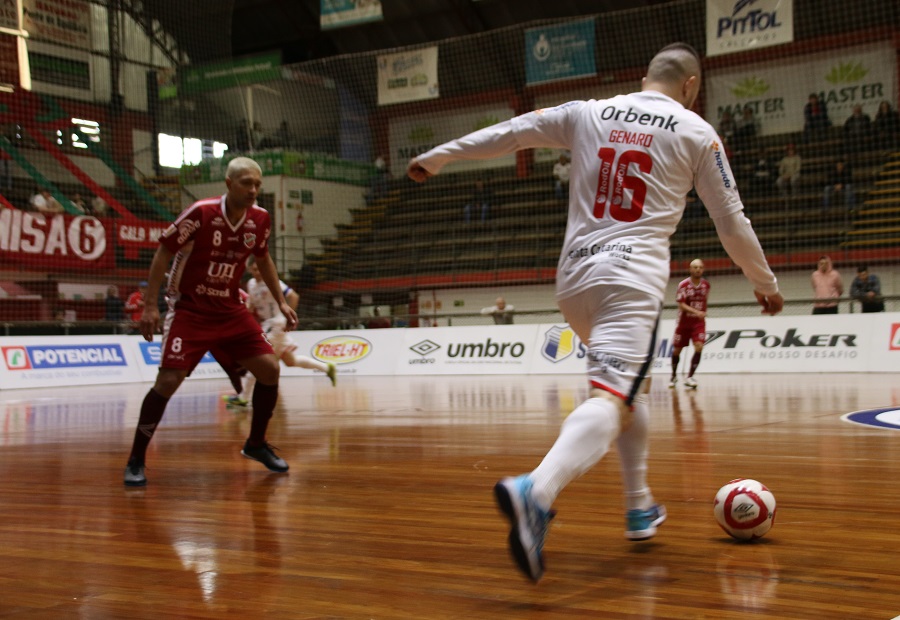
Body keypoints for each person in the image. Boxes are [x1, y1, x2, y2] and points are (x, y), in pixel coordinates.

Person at [407, 42, 783, 582]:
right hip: (629, 282)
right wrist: (764, 284)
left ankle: (639, 507)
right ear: (691, 86)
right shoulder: (697, 132)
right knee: (612, 398)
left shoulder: (589, 111)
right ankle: (535, 491)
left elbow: (514, 131)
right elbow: (731, 221)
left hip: (574, 281)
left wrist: (440, 154)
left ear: (647, 75)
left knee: (630, 391)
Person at [123, 157, 299, 487]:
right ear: (229, 184)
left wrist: (280, 301)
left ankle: (256, 443)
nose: (253, 190)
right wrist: (149, 306)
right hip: (189, 309)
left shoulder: (260, 218)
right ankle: (136, 458)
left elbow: (263, 258)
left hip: (230, 309)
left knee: (269, 369)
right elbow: (163, 252)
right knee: (168, 380)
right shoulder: (201, 212)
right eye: (246, 183)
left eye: (257, 184)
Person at [225, 258, 336, 407]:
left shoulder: (272, 282)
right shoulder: (251, 284)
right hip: (267, 324)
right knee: (291, 362)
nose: (258, 272)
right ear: (250, 270)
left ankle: (244, 397)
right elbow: (250, 306)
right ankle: (327, 367)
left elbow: (293, 296)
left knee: (258, 359)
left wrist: (287, 317)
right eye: (255, 269)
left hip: (276, 324)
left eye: (260, 269)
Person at [669, 259, 710, 390]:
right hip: (684, 323)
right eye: (695, 267)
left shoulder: (706, 285)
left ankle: (690, 377)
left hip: (698, 323)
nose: (698, 270)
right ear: (690, 269)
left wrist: (702, 313)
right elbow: (681, 304)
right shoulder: (684, 285)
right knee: (677, 350)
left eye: (700, 267)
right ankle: (673, 376)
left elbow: (704, 301)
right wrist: (697, 312)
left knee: (699, 347)